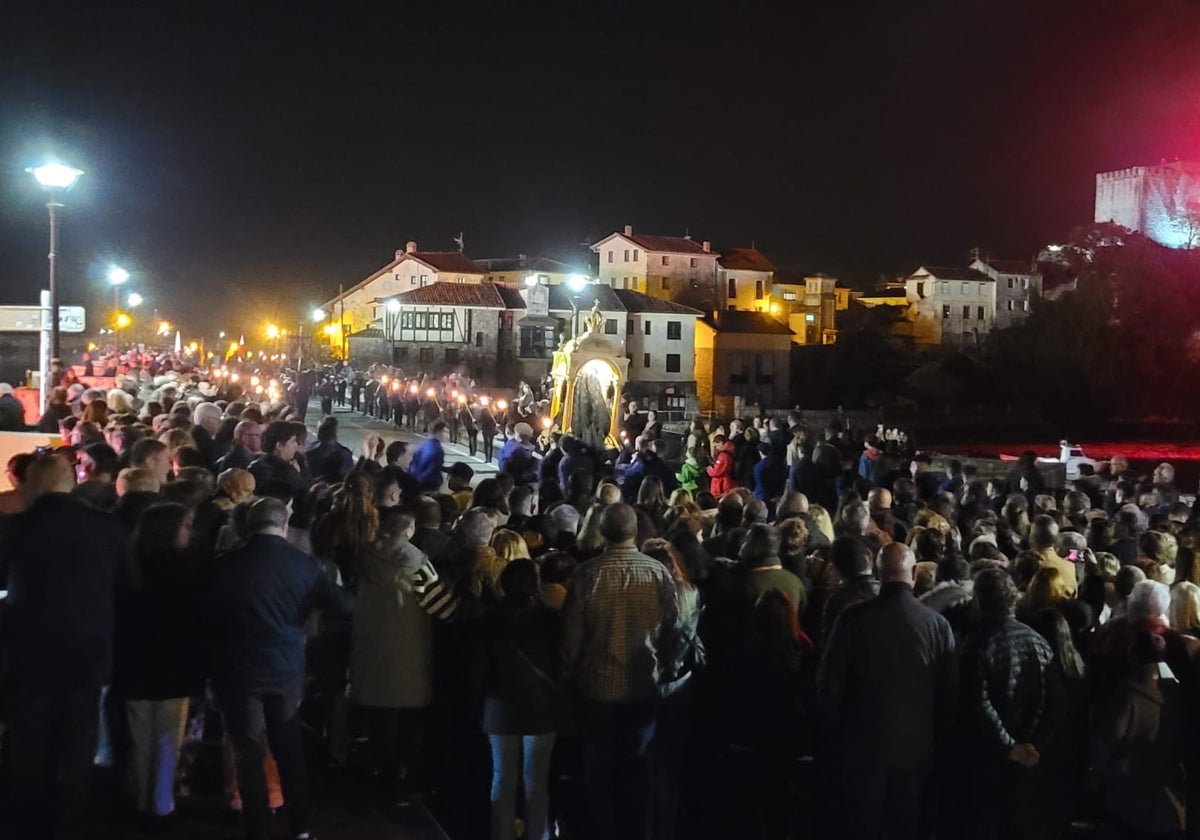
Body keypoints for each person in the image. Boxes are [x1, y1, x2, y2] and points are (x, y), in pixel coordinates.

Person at [207, 497, 352, 840]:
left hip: (237, 671)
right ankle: (300, 826)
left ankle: (257, 827)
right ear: (284, 526)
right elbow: (343, 606)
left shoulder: (224, 565)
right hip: (285, 670)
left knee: (248, 752)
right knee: (289, 749)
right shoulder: (306, 566)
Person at [0, 453, 128, 840]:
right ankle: (68, 822)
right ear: (70, 483)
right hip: (87, 651)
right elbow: (129, 583)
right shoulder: (108, 528)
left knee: (28, 741)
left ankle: (26, 819)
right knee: (77, 740)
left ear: (34, 485)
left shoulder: (14, 528)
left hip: (28, 652)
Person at [816, 542, 957, 840]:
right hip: (915, 752)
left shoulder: (852, 619)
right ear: (914, 573)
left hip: (860, 748)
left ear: (878, 573)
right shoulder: (937, 625)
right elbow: (948, 697)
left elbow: (830, 685)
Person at [561, 503, 683, 840]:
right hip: (643, 684)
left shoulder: (587, 574)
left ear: (602, 532)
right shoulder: (658, 574)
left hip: (596, 686)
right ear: (634, 531)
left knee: (598, 771)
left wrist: (570, 670)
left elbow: (572, 636)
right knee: (638, 770)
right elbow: (673, 630)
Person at [350, 508, 457, 806]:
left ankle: (375, 777)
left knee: (378, 726)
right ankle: (399, 784)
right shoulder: (415, 560)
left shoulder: (363, 556)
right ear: (408, 531)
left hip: (371, 651)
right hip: (408, 656)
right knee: (406, 730)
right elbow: (442, 607)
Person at [114, 502, 205, 827]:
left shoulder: (129, 567)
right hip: (173, 665)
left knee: (140, 736)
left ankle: (140, 799)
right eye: (185, 527)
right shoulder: (186, 569)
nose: (189, 533)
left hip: (135, 664)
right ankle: (161, 804)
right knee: (168, 739)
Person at [957, 569, 1065, 840]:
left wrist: (1010, 746)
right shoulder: (1037, 641)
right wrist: (1038, 744)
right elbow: (1056, 699)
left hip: (991, 756)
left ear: (980, 602)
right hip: (1030, 753)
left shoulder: (977, 644)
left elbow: (978, 704)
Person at [473, 558, 563, 840]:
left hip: (499, 704)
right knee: (536, 781)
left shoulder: (488, 620)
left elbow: (478, 669)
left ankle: (501, 834)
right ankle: (537, 834)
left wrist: (477, 704)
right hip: (541, 704)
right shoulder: (550, 621)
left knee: (503, 778)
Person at [1092, 630, 1187, 838]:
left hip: (1129, 802)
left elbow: (1107, 742)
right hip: (1171, 802)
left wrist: (1094, 779)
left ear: (1134, 655)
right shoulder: (1179, 691)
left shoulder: (1128, 694)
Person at [410, 421, 450, 493]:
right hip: (428, 485)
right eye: (446, 432)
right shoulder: (436, 448)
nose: (447, 436)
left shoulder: (424, 444)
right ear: (439, 432)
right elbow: (430, 467)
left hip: (418, 482)